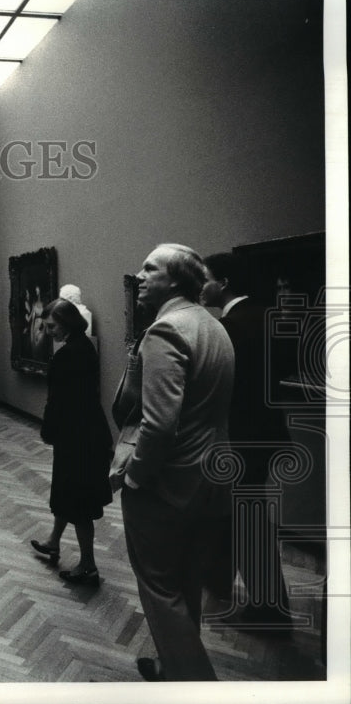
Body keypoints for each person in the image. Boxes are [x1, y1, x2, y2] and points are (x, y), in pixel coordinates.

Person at [111, 244, 235, 681]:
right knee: (186, 583)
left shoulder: (166, 331)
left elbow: (159, 426)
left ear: (177, 281)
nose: (140, 275)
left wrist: (138, 477)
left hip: (169, 482)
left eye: (151, 268)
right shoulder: (213, 326)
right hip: (212, 476)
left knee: (160, 589)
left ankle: (194, 683)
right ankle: (170, 668)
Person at [201, 252, 292, 626]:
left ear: (223, 283)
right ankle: (218, 581)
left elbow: (226, 391)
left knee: (249, 523)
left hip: (241, 440)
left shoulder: (233, 326)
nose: (201, 284)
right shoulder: (267, 317)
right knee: (237, 516)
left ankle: (271, 612)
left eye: (205, 277)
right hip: (266, 435)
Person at [30, 298, 113, 585]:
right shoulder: (83, 345)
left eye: (52, 325)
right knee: (68, 493)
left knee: (78, 501)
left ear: (66, 321)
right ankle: (54, 541)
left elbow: (60, 401)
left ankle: (88, 565)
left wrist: (48, 430)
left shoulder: (70, 353)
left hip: (78, 437)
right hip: (85, 432)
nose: (48, 330)